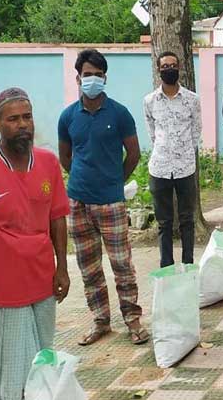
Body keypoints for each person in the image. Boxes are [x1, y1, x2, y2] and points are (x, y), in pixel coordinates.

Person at [57, 49, 148, 347]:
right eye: (87, 75)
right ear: (78, 77)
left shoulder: (119, 113)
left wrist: (113, 182)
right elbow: (66, 157)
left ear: (105, 77)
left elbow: (133, 154)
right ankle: (100, 320)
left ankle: (132, 319)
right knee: (88, 265)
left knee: (122, 263)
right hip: (78, 202)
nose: (92, 80)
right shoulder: (68, 116)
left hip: (111, 201)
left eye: (97, 75)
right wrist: (83, 181)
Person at [0, 87, 70, 399]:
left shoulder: (48, 163)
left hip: (42, 281)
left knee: (42, 356)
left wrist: (62, 268)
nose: (23, 124)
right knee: (11, 367)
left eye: (27, 117)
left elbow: (57, 218)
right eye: (13, 119)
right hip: (4, 287)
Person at [143, 51, 202, 267]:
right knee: (164, 222)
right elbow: (151, 130)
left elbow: (196, 130)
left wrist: (183, 150)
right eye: (165, 66)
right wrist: (164, 148)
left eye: (173, 65)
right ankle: (166, 267)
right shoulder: (150, 101)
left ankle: (188, 265)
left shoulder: (192, 100)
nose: (169, 69)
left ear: (180, 68)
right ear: (159, 70)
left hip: (185, 168)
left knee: (187, 220)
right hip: (159, 169)